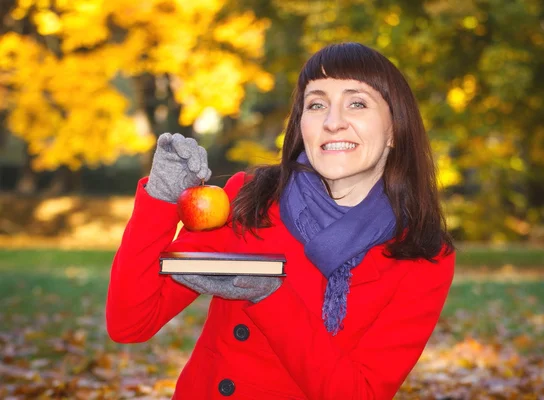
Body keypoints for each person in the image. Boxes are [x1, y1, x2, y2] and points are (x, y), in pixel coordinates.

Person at [106, 42, 455, 400]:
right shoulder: (251, 198)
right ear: (302, 124)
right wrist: (161, 200)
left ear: (395, 129)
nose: (333, 122)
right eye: (317, 104)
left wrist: (270, 298)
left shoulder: (423, 253)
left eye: (357, 103)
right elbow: (131, 324)